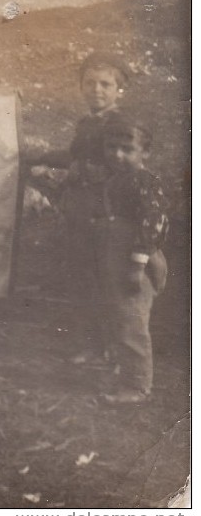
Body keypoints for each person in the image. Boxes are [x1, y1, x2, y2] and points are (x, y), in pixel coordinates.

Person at [24, 52, 167, 366]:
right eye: (90, 83)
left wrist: (82, 171)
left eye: (106, 84)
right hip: (82, 211)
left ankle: (115, 348)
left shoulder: (121, 127)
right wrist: (42, 157)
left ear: (119, 89)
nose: (97, 90)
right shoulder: (88, 122)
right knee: (84, 278)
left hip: (109, 214)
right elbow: (74, 156)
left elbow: (124, 168)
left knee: (110, 283)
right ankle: (93, 343)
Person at [93, 118, 168, 403]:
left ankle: (137, 386)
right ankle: (124, 371)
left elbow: (153, 223)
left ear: (144, 152)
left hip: (137, 259)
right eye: (111, 148)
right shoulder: (115, 180)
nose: (117, 155)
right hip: (115, 257)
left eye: (127, 149)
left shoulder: (146, 182)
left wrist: (138, 265)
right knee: (117, 315)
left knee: (132, 319)